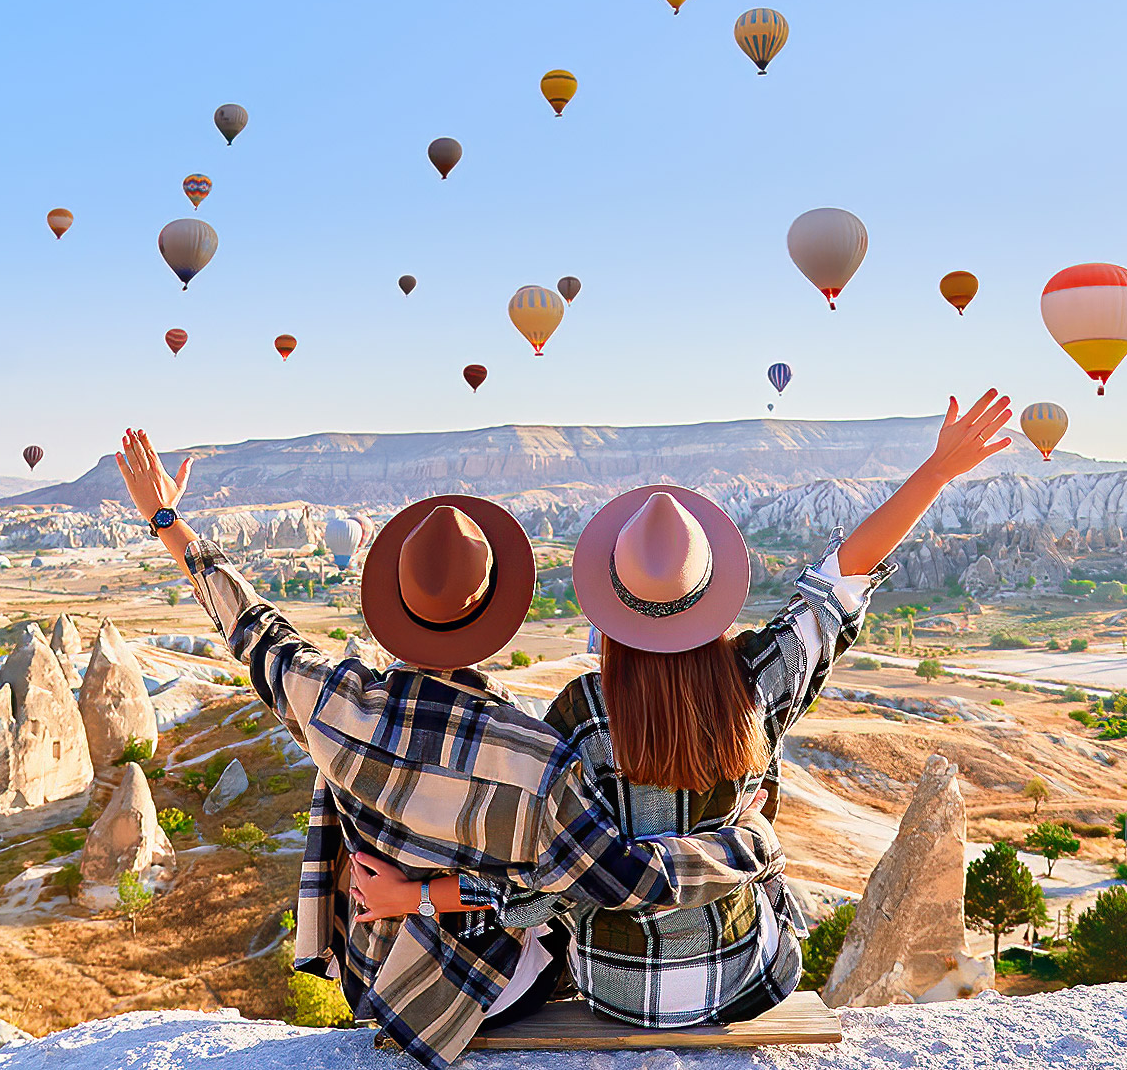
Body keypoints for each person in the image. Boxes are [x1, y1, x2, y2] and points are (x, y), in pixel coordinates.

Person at [114, 431, 785, 1069]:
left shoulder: (335, 703)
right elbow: (622, 881)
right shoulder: (533, 757)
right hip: (480, 998)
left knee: (348, 781)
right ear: (494, 616)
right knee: (543, 895)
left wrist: (168, 517)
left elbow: (256, 629)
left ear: (397, 604)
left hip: (373, 974)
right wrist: (748, 841)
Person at [350, 391, 1012, 1028]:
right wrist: (938, 469)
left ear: (609, 611)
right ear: (710, 595)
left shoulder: (578, 716)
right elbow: (844, 575)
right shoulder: (754, 680)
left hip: (617, 991)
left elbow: (534, 893)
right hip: (745, 980)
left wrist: (410, 897)